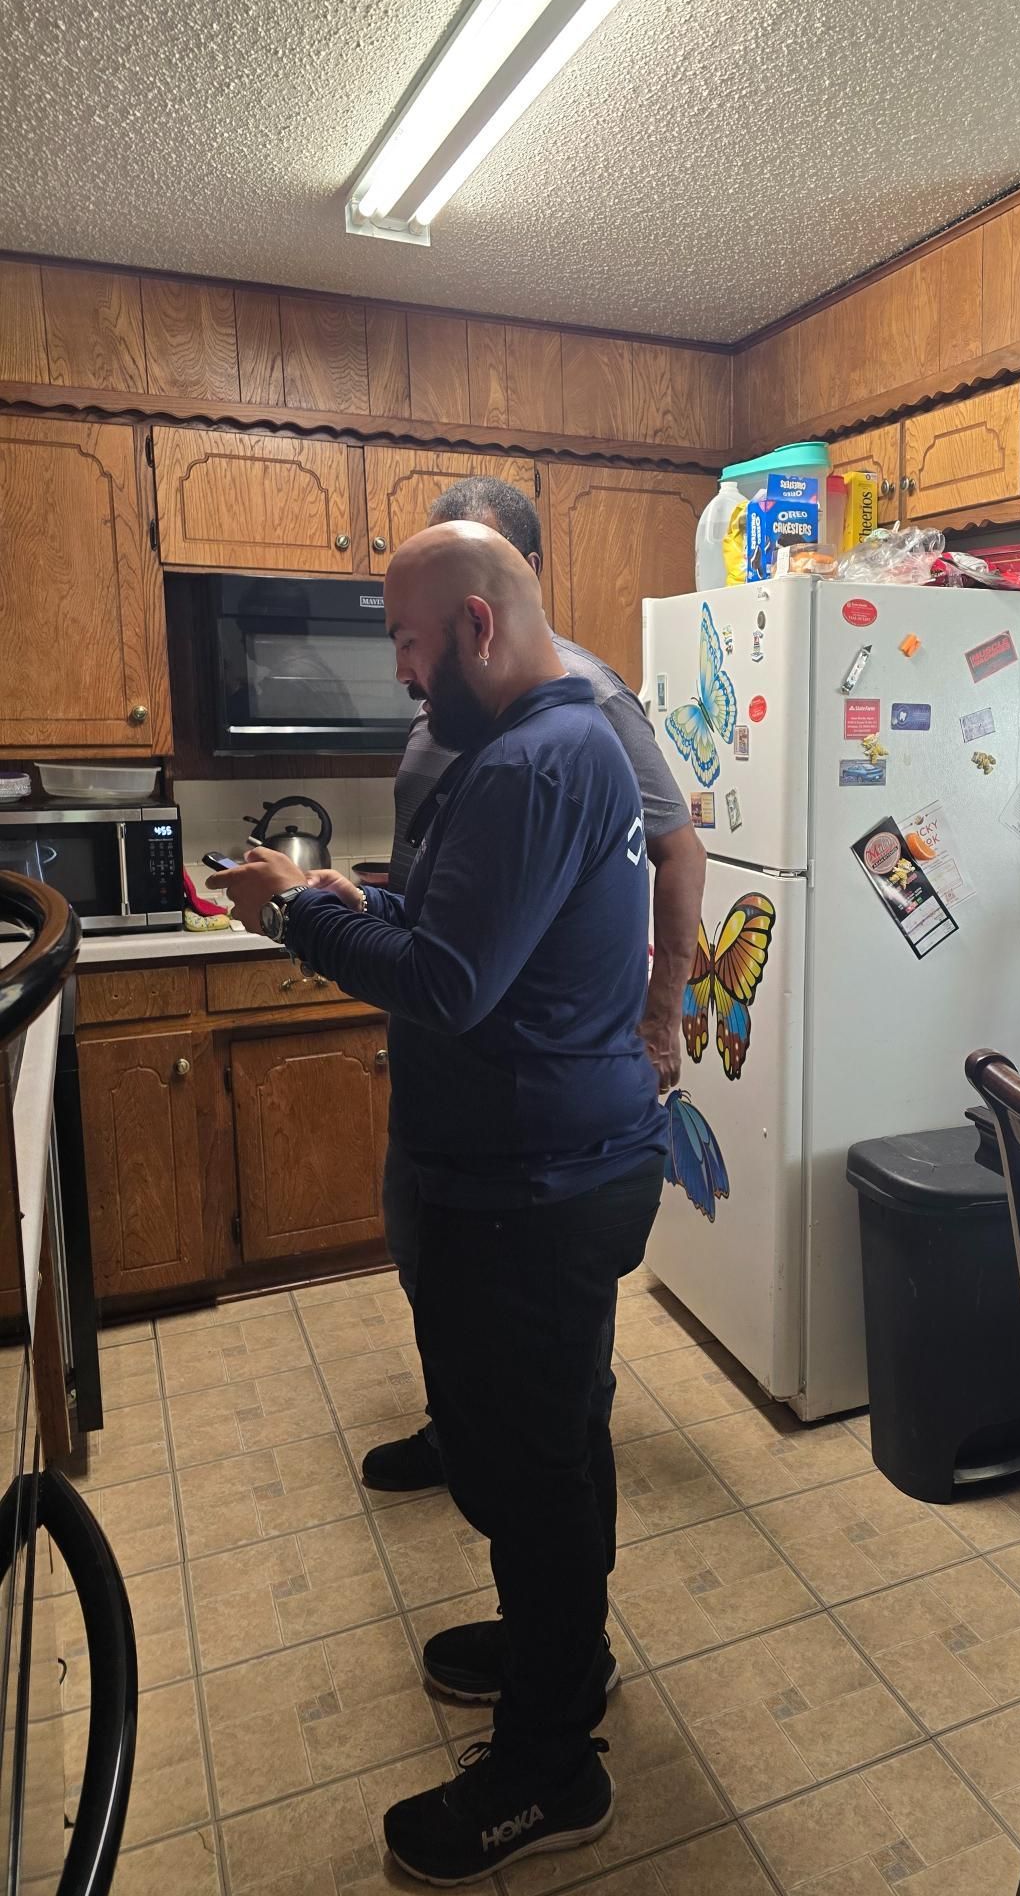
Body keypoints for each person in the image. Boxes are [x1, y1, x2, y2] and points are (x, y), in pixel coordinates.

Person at [207, 522, 666, 1883]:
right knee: (557, 1436)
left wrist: (296, 913)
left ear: (474, 628)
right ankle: (561, 1666)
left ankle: (546, 1770)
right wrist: (373, 895)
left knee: (522, 1472)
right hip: (555, 1169)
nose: (403, 678)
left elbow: (452, 986)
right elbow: (474, 926)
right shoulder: (545, 748)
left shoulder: (533, 760)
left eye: (408, 650)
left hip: (528, 1187)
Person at [364, 474, 704, 1498]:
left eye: (417, 636)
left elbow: (679, 851)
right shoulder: (464, 712)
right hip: (459, 1079)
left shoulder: (580, 716)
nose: (406, 664)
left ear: (500, 599)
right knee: (435, 1264)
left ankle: (537, 1465)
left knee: (541, 1344)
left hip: (534, 1106)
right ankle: (462, 1424)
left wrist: (661, 1015)